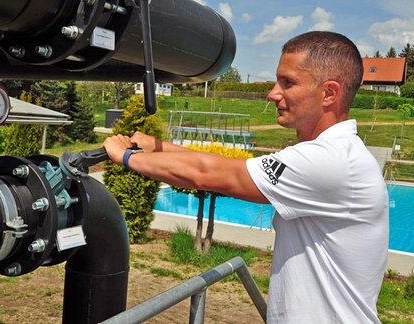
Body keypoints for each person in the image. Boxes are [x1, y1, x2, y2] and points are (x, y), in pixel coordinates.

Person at [103, 31, 389, 323]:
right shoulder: (336, 153)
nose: (272, 93)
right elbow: (225, 165)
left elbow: (208, 174)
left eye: (287, 83)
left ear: (329, 93)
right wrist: (158, 147)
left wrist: (126, 157)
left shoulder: (329, 161)